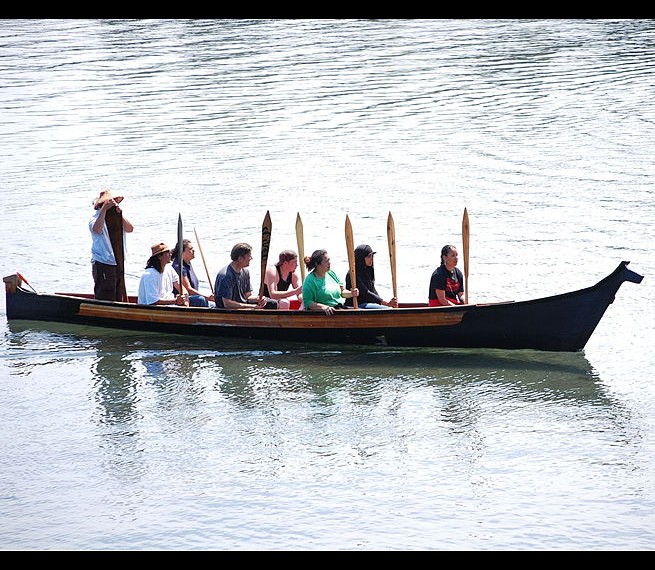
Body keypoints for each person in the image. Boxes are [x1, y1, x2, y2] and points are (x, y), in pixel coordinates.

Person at [89, 189, 134, 301]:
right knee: (106, 293)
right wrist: (104, 210)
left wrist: (120, 214)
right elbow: (97, 229)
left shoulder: (116, 217)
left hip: (118, 261)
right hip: (103, 262)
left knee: (119, 291)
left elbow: (130, 228)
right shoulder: (95, 218)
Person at [214, 243, 277, 309]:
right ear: (240, 258)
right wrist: (252, 307)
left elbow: (247, 296)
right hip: (227, 311)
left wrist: (258, 299)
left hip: (241, 304)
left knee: (272, 303)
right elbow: (227, 304)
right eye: (249, 256)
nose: (251, 258)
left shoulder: (245, 272)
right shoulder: (226, 276)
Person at [302, 249, 358, 315]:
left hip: (340, 309)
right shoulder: (310, 280)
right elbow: (308, 302)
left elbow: (342, 292)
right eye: (326, 261)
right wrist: (324, 307)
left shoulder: (331, 274)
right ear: (317, 264)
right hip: (326, 314)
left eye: (329, 260)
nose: (329, 263)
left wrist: (351, 293)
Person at [345, 244, 398, 309]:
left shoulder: (368, 270)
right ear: (361, 258)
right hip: (357, 305)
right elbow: (366, 293)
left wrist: (384, 302)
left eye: (372, 256)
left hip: (368, 303)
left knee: (389, 308)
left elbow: (372, 290)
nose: (371, 259)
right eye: (369, 256)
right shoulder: (352, 274)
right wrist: (385, 303)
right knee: (388, 309)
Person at [172, 238, 215, 307]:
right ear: (182, 252)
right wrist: (207, 297)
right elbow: (188, 290)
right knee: (201, 300)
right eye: (190, 249)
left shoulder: (187, 263)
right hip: (184, 300)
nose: (193, 250)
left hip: (192, 297)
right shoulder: (178, 267)